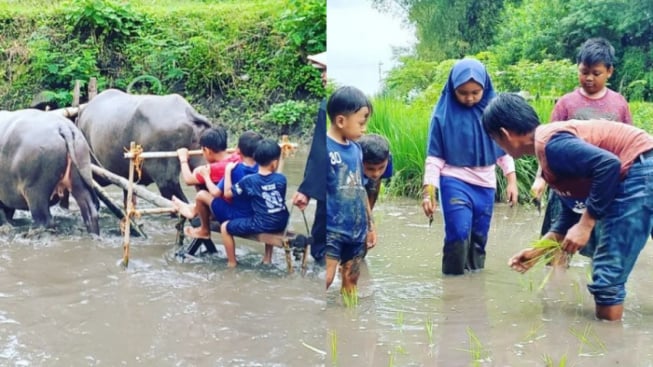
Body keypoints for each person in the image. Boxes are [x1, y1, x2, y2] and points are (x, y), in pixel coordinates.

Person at [482, 92, 653, 321]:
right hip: (644, 163)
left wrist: (586, 224)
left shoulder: (553, 147)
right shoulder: (549, 152)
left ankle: (609, 349)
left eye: (495, 140)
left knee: (606, 280)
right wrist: (539, 250)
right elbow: (571, 211)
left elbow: (608, 165)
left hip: (639, 169)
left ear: (505, 134)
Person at [421, 58, 518, 276]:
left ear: (486, 87)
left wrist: (511, 180)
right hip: (454, 180)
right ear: (453, 88)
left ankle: (473, 286)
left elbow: (504, 149)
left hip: (486, 184)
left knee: (479, 237)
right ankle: (453, 282)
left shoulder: (495, 114)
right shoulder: (441, 116)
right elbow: (434, 158)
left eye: (476, 92)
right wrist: (429, 192)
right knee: (458, 232)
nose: (469, 98)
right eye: (463, 92)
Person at [531, 37, 633, 237]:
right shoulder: (566, 103)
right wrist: (540, 179)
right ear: (577, 68)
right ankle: (556, 268)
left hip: (603, 182)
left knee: (600, 239)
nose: (589, 78)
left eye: (596, 73)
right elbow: (547, 145)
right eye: (584, 72)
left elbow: (627, 144)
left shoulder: (619, 103)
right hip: (566, 182)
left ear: (609, 71)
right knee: (557, 239)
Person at [325, 85, 376, 296]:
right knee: (327, 277)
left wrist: (370, 225)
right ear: (340, 121)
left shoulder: (356, 149)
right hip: (332, 230)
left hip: (356, 230)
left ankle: (349, 322)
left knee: (351, 278)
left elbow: (360, 188)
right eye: (361, 122)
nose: (364, 129)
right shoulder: (325, 148)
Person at [171, 130, 263, 239]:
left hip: (234, 211)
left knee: (201, 194)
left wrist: (183, 159)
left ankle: (202, 225)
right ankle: (196, 208)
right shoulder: (239, 158)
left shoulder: (218, 168)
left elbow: (188, 180)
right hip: (250, 208)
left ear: (207, 151)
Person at [220, 138, 290, 268]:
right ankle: (267, 258)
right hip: (282, 222)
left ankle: (232, 262)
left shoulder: (249, 181)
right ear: (274, 163)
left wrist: (228, 171)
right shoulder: (282, 180)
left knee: (224, 227)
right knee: (270, 211)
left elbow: (227, 193)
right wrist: (282, 159)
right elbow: (276, 174)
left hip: (262, 224)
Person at [292, 51, 327, 266]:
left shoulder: (327, 105)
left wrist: (306, 189)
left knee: (322, 245)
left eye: (325, 70)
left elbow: (320, 152)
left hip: (329, 188)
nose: (322, 76)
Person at [357, 133, 392, 210]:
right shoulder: (352, 160)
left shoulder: (387, 159)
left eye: (381, 168)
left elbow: (376, 184)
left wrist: (369, 216)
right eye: (370, 169)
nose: (376, 173)